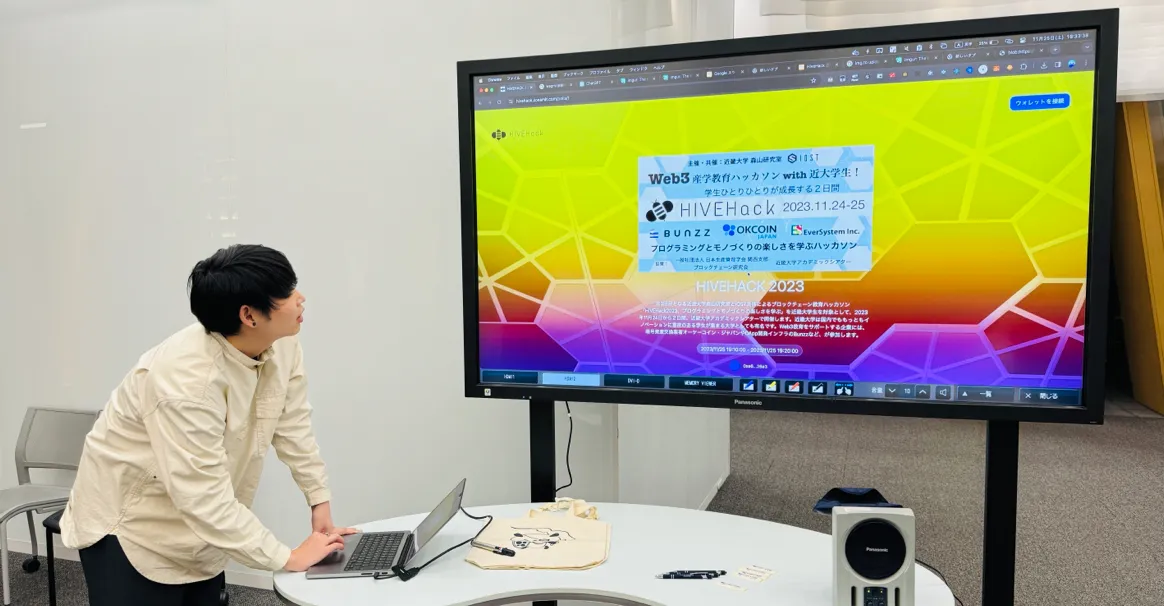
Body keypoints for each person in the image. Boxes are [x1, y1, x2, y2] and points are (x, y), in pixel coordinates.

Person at [60, 244, 355, 606]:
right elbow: (204, 499)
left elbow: (293, 425)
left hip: (199, 528)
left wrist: (319, 502)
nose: (300, 298)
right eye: (287, 292)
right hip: (131, 529)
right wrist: (287, 557)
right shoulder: (187, 382)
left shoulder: (282, 345)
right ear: (249, 315)